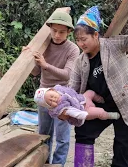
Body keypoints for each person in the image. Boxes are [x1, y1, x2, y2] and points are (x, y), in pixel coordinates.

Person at [68, 2, 128, 167]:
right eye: (78, 40)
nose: (81, 44)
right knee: (84, 130)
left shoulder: (114, 45)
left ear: (95, 35)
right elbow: (72, 87)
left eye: (84, 39)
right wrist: (62, 101)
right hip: (104, 106)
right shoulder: (81, 62)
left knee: (124, 150)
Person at [22, 11, 80, 166]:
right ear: (50, 29)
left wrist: (45, 64)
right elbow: (36, 73)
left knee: (62, 137)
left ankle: (58, 164)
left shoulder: (73, 49)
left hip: (63, 96)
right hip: (44, 94)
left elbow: (67, 75)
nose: (57, 35)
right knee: (43, 134)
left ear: (69, 32)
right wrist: (28, 59)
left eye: (62, 32)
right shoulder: (43, 46)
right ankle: (44, 162)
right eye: (54, 31)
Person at [33, 85, 120, 126]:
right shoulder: (61, 109)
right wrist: (83, 115)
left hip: (83, 99)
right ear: (49, 106)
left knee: (90, 92)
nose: (53, 99)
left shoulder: (60, 89)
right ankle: (110, 115)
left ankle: (102, 100)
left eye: (52, 96)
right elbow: (74, 112)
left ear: (53, 90)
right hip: (84, 110)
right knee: (100, 112)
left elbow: (70, 88)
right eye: (50, 102)